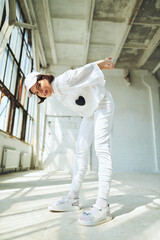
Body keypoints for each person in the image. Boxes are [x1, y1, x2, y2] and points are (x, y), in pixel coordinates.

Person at [25, 58, 115, 226]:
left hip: (103, 103)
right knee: (81, 149)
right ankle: (73, 199)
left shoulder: (62, 80)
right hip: (91, 112)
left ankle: (103, 206)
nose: (41, 91)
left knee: (101, 148)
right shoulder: (58, 94)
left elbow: (83, 70)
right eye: (37, 92)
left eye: (38, 86)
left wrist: (103, 63)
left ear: (44, 78)